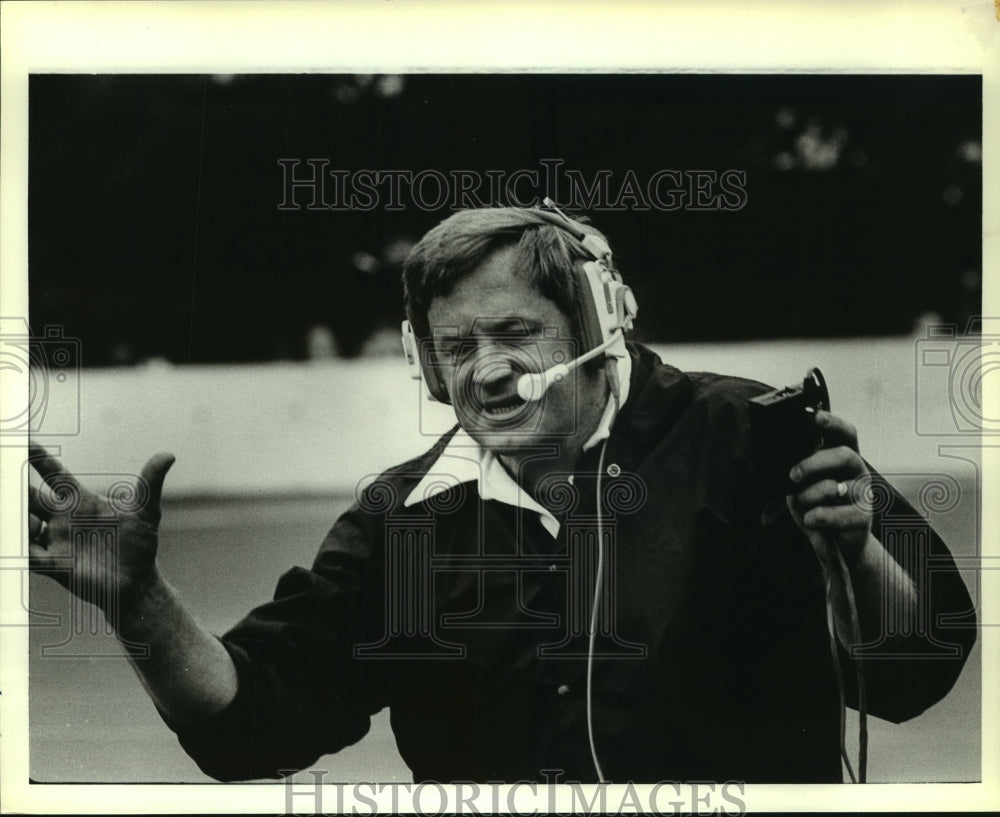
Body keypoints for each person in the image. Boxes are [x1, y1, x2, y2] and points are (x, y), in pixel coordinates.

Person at [27, 205, 976, 784]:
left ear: (599, 324)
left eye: (516, 332)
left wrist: (854, 552)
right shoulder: (406, 523)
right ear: (425, 365)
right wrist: (137, 600)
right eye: (455, 346)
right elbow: (251, 720)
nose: (487, 371)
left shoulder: (753, 440)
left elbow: (915, 669)